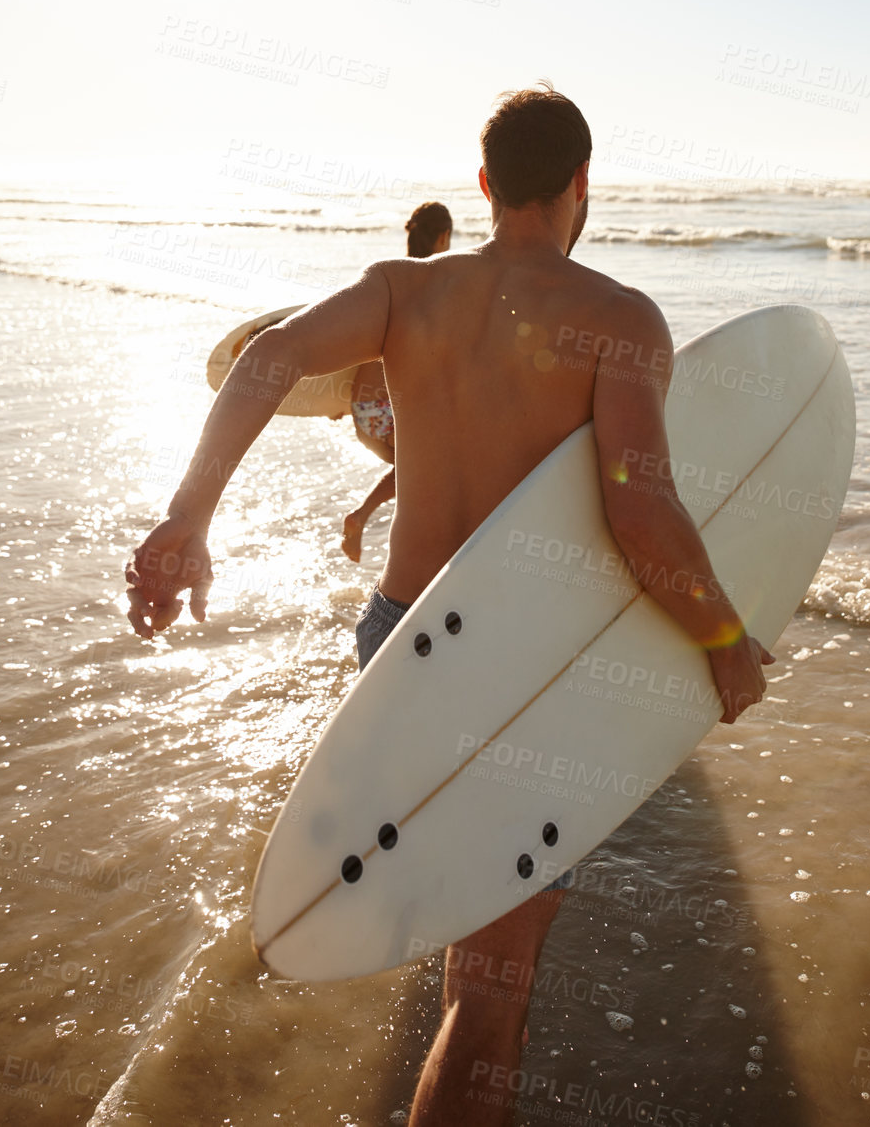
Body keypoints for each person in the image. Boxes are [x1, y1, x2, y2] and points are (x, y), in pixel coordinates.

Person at [124, 85, 773, 1127]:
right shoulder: (617, 319)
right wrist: (724, 639)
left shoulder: (401, 291)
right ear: (580, 184)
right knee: (486, 999)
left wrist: (188, 518)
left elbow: (266, 357)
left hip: (396, 641)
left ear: (483, 186)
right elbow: (640, 509)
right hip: (519, 669)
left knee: (463, 967)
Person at [342, 200, 452, 563]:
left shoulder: (391, 281)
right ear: (443, 237)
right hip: (387, 415)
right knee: (428, 473)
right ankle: (376, 529)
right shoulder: (433, 287)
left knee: (418, 483)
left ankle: (386, 536)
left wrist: (338, 402)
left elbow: (359, 347)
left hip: (363, 413)